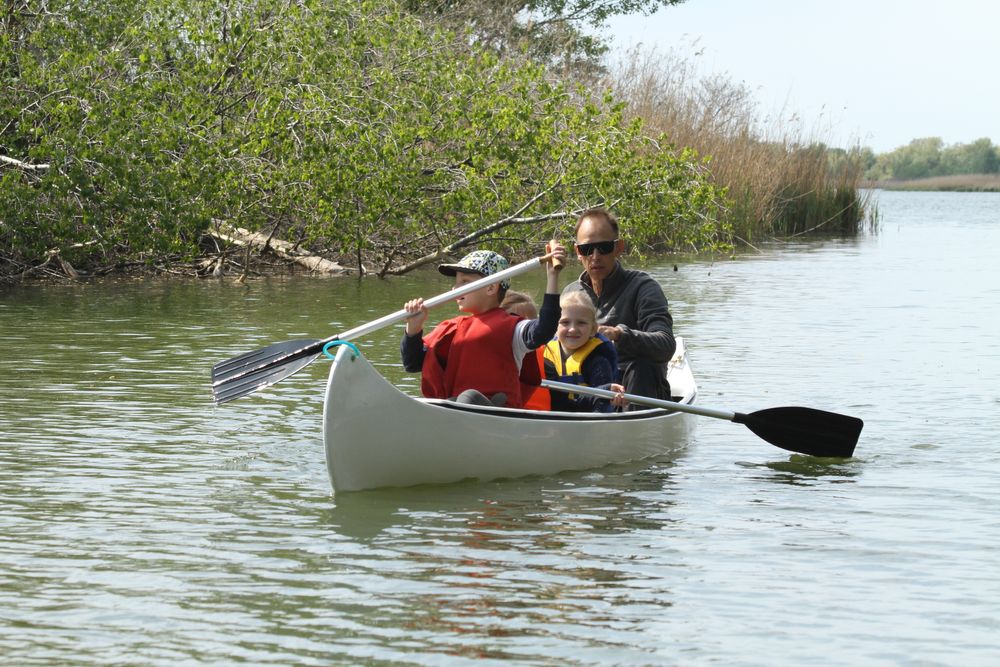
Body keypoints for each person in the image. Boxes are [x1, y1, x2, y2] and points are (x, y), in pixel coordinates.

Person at [401, 245, 566, 408]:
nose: (455, 288)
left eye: (464, 282)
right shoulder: (450, 329)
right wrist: (413, 329)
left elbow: (544, 330)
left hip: (497, 416)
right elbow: (412, 364)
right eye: (456, 282)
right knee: (448, 402)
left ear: (491, 287)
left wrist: (552, 276)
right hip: (455, 410)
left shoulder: (513, 328)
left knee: (469, 397)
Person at [563, 207, 675, 403]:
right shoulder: (570, 294)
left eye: (604, 247)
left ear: (618, 247)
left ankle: (632, 428)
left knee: (642, 367)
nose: (595, 256)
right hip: (590, 389)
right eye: (587, 249)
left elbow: (666, 344)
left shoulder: (643, 287)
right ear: (577, 252)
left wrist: (620, 335)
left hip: (637, 391)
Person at [542, 290, 627, 412]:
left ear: (593, 329)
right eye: (565, 322)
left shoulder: (598, 362)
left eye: (581, 323)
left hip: (587, 421)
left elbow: (601, 408)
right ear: (555, 326)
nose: (572, 329)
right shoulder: (547, 357)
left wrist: (607, 392)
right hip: (554, 420)